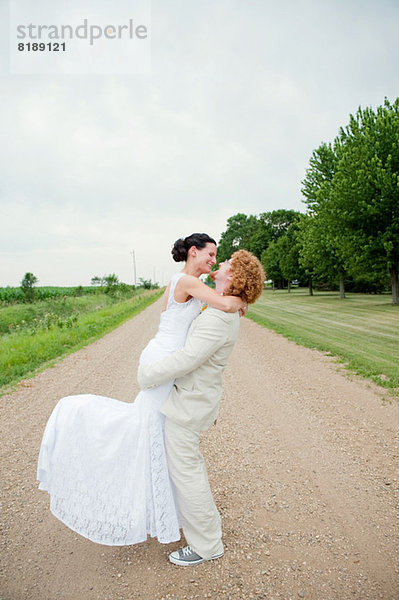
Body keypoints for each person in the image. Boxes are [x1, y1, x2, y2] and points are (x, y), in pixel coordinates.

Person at [37, 233, 245, 546]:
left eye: (217, 257)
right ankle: (79, 419)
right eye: (211, 254)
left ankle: (162, 510)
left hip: (164, 353)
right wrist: (243, 300)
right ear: (193, 251)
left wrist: (230, 296)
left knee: (156, 433)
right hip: (164, 359)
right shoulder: (187, 282)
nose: (214, 261)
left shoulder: (187, 282)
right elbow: (224, 302)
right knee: (148, 430)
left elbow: (202, 307)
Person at [138, 249, 265, 565]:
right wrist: (236, 302)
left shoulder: (220, 318)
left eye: (228, 264)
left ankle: (207, 545)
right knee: (185, 468)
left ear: (234, 277)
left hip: (190, 406)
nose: (220, 264)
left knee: (187, 472)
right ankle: (198, 530)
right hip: (193, 402)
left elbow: (187, 359)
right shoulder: (222, 309)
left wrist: (147, 375)